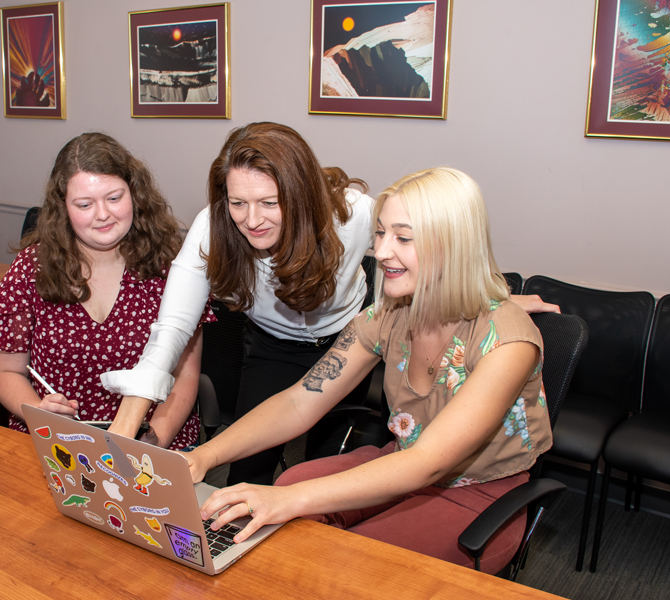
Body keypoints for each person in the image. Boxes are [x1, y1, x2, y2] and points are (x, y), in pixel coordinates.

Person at [101, 122, 558, 483]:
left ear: (300, 195)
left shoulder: (353, 213)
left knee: (325, 462)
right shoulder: (216, 224)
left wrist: (485, 298)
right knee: (250, 468)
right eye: (238, 203)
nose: (251, 220)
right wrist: (124, 433)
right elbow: (171, 330)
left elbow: (432, 246)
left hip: (345, 339)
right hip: (275, 345)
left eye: (269, 202)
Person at [186, 167, 553, 575]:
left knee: (346, 560)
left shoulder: (508, 341)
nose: (380, 251)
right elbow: (298, 402)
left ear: (453, 245)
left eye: (403, 238)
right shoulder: (388, 314)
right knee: (286, 496)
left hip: (479, 494)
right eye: (379, 234)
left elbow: (428, 463)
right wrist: (204, 456)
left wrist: (289, 502)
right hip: (399, 462)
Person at [0, 132, 213, 450]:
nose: (103, 214)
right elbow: (7, 370)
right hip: (56, 442)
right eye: (85, 204)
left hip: (153, 441)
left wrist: (155, 439)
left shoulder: (171, 268)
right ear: (63, 207)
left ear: (135, 194)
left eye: (114, 198)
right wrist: (34, 410)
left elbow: (185, 375)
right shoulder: (34, 268)